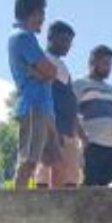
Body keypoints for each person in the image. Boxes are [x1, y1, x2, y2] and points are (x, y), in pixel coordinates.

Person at [7, 0, 59, 190]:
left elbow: (49, 73)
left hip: (43, 107)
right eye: (41, 13)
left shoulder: (26, 37)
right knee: (28, 160)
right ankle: (15, 205)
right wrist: (42, 73)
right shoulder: (22, 37)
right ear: (32, 12)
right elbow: (49, 70)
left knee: (56, 158)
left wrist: (40, 72)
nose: (43, 19)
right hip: (33, 106)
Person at [34, 21, 83, 189]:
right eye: (63, 40)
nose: (67, 46)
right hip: (53, 124)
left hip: (67, 127)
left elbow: (67, 98)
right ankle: (45, 211)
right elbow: (44, 95)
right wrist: (52, 126)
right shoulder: (43, 60)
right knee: (48, 170)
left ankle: (62, 211)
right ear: (50, 37)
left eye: (69, 42)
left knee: (69, 174)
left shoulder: (61, 65)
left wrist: (75, 128)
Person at [73, 45, 112, 186]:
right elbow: (71, 114)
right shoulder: (80, 84)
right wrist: (83, 138)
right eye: (106, 63)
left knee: (105, 184)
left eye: (111, 64)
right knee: (88, 184)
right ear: (93, 61)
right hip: (92, 144)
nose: (109, 68)